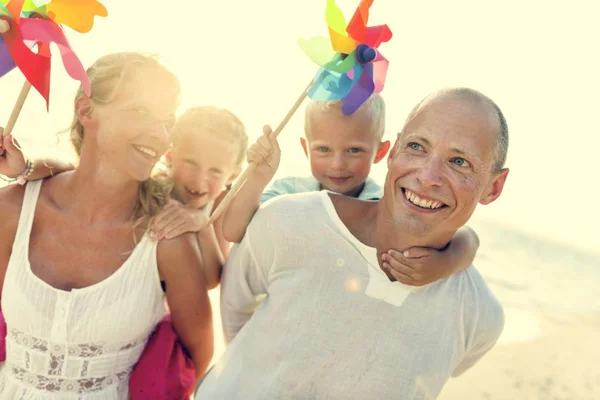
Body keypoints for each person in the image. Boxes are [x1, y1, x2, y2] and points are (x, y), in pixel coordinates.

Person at [195, 87, 510, 399]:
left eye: (459, 162)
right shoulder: (285, 219)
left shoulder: (480, 316)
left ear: (494, 188)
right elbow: (235, 304)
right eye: (417, 146)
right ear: (396, 149)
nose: (428, 177)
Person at [0, 52, 213, 399]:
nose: (159, 134)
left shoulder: (167, 240)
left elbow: (196, 366)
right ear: (86, 111)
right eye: (140, 111)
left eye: (167, 120)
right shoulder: (12, 210)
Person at [222, 95, 481, 287]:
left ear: (381, 152)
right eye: (323, 150)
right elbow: (233, 231)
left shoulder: (383, 204)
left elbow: (467, 238)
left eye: (354, 150)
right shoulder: (288, 193)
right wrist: (258, 177)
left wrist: (446, 263)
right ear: (305, 148)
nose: (337, 164)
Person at [0, 105, 250, 289]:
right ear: (169, 158)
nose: (200, 179)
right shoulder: (152, 187)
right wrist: (26, 167)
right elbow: (70, 170)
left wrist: (200, 224)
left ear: (233, 175)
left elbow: (210, 279)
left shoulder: (219, 208)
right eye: (191, 163)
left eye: (215, 170)